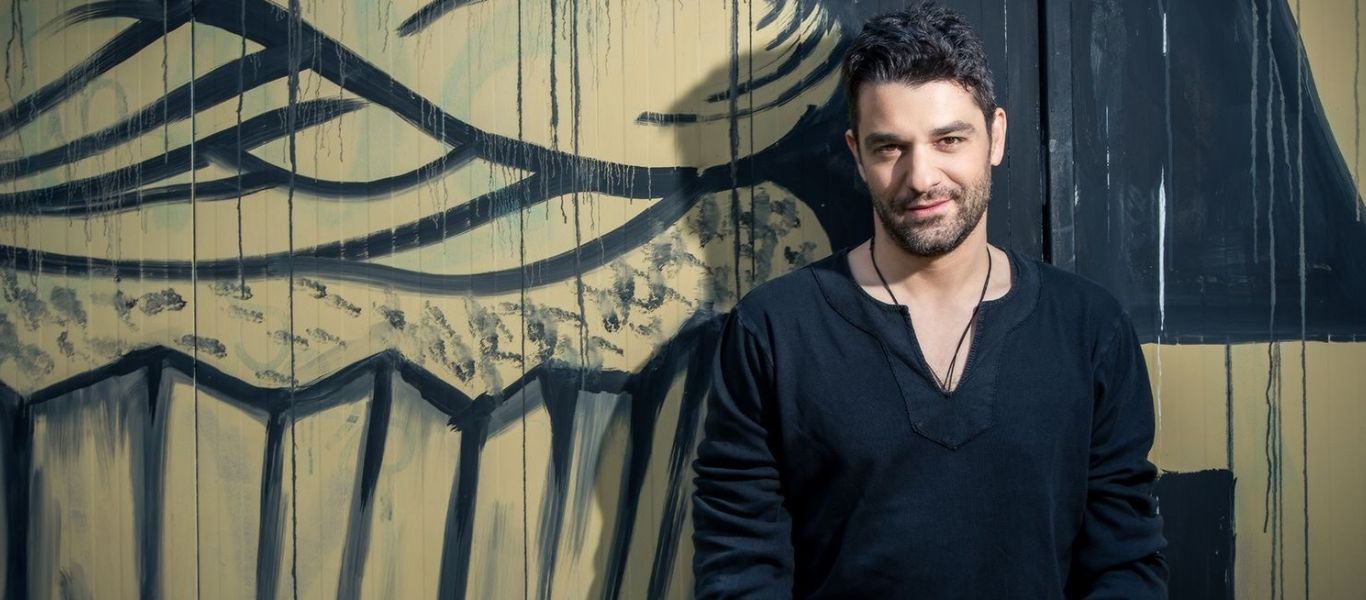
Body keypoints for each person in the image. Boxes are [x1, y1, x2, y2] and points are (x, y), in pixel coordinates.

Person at [690, 3, 1168, 598]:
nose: (921, 177)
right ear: (857, 153)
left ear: (996, 136)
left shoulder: (1089, 329)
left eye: (949, 139)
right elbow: (739, 564)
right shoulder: (773, 331)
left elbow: (1125, 560)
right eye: (890, 148)